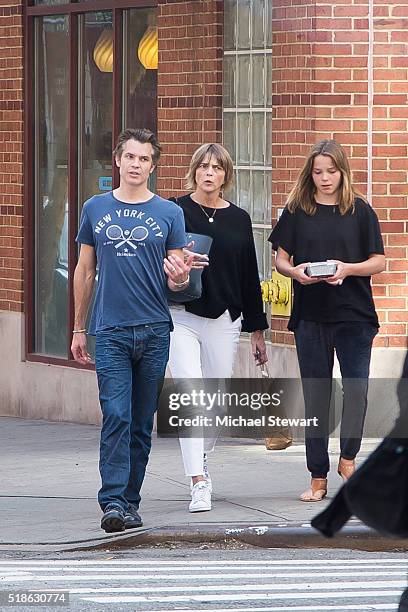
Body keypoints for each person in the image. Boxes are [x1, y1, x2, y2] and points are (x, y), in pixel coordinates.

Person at [71, 128, 193, 532]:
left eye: (144, 159)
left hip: (156, 330)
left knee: (141, 422)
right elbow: (85, 270)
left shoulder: (170, 214)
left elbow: (177, 280)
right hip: (109, 331)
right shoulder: (94, 208)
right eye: (130, 157)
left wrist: (178, 277)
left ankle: (130, 501)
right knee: (117, 416)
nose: (136, 164)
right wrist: (78, 328)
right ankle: (112, 501)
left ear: (152, 166)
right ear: (118, 161)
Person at [268, 139, 385, 502]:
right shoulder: (296, 211)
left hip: (355, 315)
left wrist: (348, 269)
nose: (324, 178)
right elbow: (280, 260)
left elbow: (379, 262)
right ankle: (318, 476)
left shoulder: (361, 211)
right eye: (318, 172)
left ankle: (347, 458)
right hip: (311, 318)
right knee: (316, 396)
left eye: (331, 171)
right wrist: (297, 272)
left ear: (342, 172)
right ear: (310, 173)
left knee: (357, 390)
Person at [167, 143, 269, 513]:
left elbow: (248, 275)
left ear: (226, 175)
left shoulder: (239, 218)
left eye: (217, 167)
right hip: (182, 315)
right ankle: (198, 480)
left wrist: (257, 331)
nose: (209, 173)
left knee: (215, 399)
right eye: (203, 166)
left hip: (225, 319)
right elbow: (157, 259)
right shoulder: (174, 210)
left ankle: (202, 456)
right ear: (194, 170)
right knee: (191, 394)